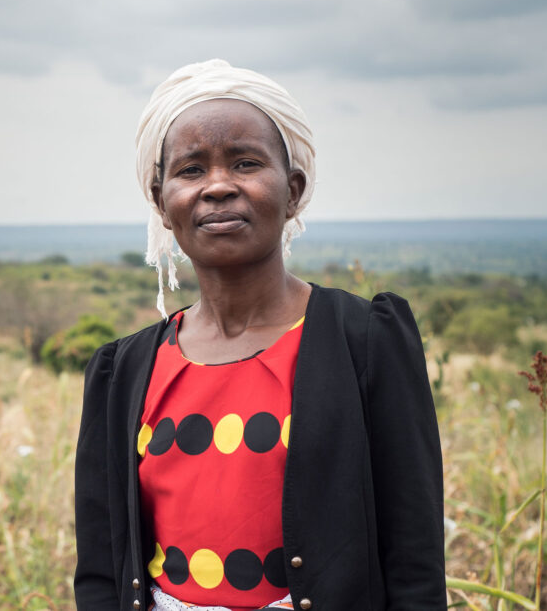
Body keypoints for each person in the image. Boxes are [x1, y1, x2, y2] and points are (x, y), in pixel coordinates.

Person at [74, 60, 446, 611]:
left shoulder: (364, 343)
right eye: (191, 170)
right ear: (161, 200)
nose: (219, 186)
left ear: (293, 191)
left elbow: (414, 560)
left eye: (246, 163)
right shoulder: (124, 372)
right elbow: (103, 568)